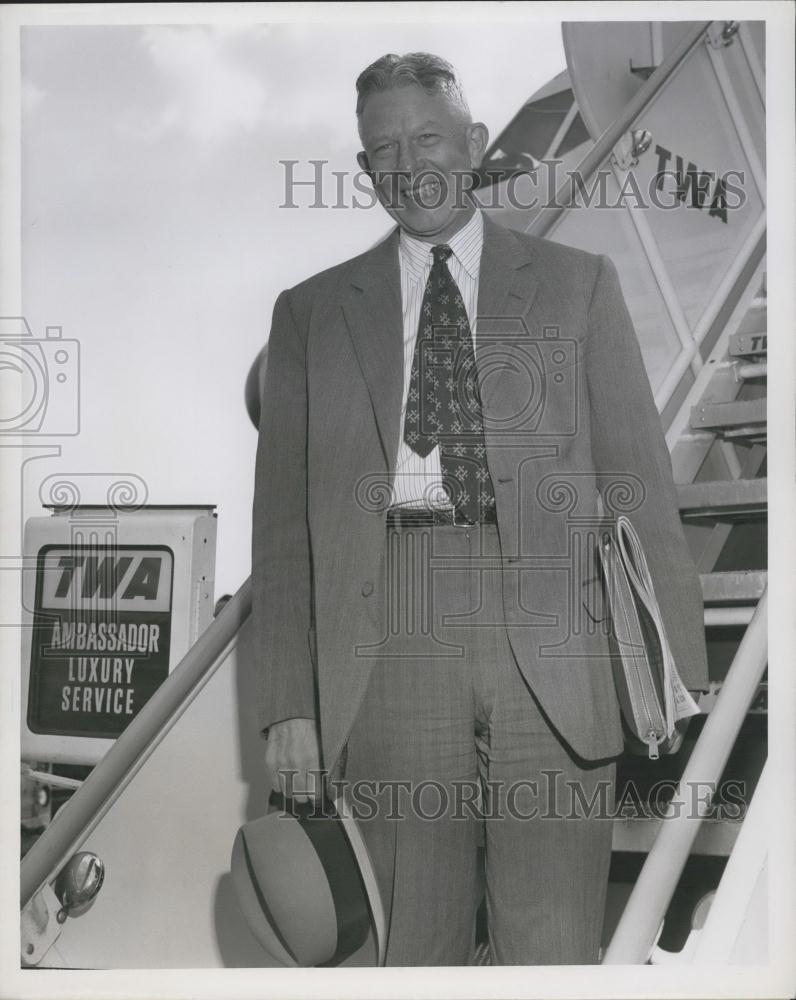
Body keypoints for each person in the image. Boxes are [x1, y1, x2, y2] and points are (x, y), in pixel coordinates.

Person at [252, 52, 708, 966]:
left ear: (472, 145)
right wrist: (286, 707)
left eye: (426, 137)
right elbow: (284, 535)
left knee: (555, 944)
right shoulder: (309, 317)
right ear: (365, 170)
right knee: (413, 946)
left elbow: (637, 485)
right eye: (383, 150)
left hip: (555, 632)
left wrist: (674, 673)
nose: (407, 164)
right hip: (388, 643)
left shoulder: (580, 284)